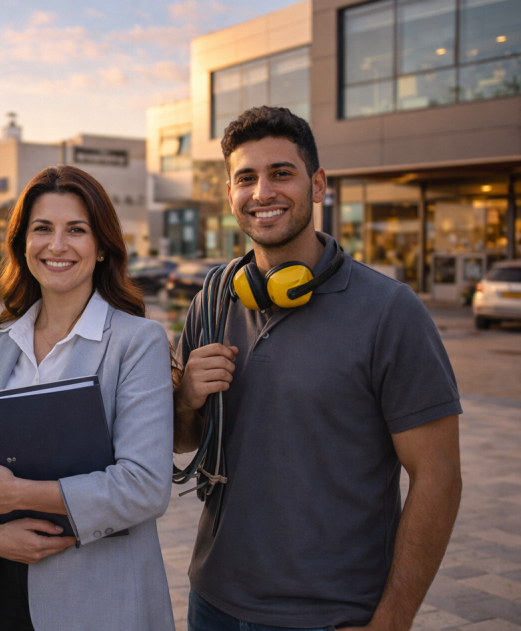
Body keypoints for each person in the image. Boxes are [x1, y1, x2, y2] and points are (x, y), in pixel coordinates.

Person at [174, 106, 462, 631]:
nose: (262, 192)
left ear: (318, 184)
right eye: (246, 178)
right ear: (231, 194)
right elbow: (182, 442)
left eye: (281, 173)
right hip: (212, 601)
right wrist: (186, 397)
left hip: (328, 614)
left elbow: (438, 476)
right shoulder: (213, 300)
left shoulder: (389, 311)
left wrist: (394, 618)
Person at [0, 165, 176, 631]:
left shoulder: (138, 342)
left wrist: (21, 494)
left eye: (76, 230)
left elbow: (145, 485)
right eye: (42, 229)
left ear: (103, 246)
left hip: (99, 602)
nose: (57, 245)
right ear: (21, 243)